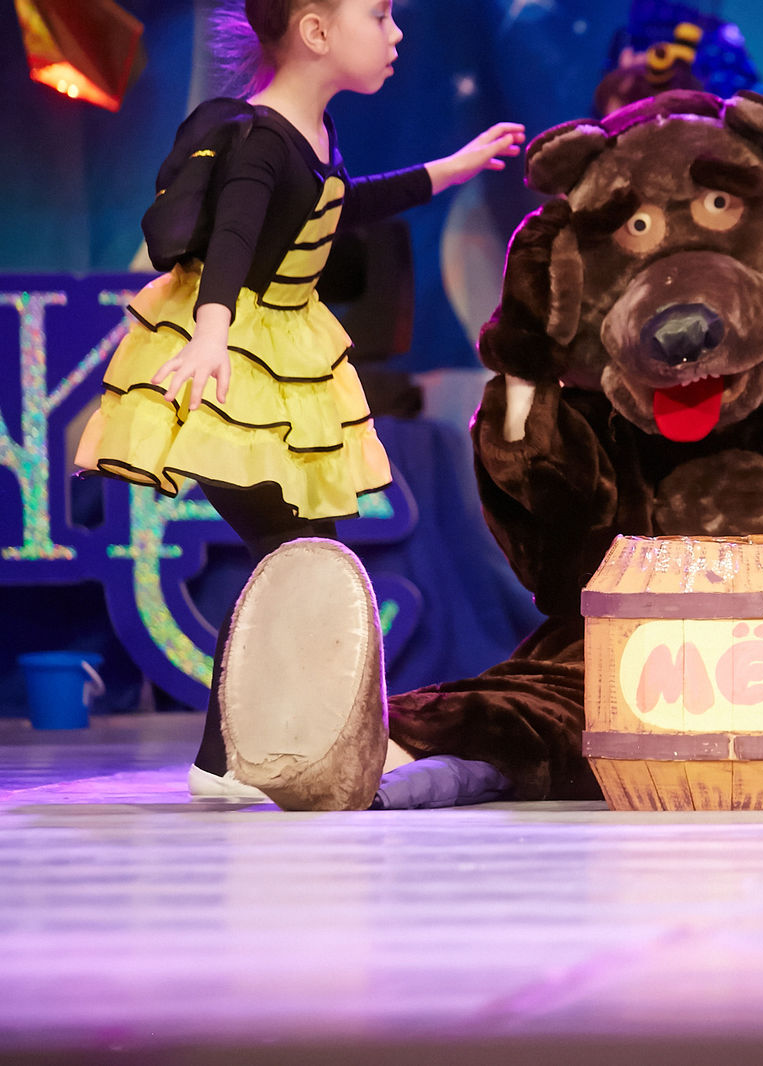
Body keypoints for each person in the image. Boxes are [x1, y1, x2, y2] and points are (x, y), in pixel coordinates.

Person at [75, 0, 525, 800]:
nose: (395, 33)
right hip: (236, 356)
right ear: (316, 33)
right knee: (292, 558)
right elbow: (233, 239)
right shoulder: (259, 138)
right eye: (378, 17)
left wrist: (451, 168)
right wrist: (211, 334)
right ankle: (229, 761)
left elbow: (344, 203)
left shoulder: (312, 134)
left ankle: (254, 755)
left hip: (279, 348)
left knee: (298, 559)